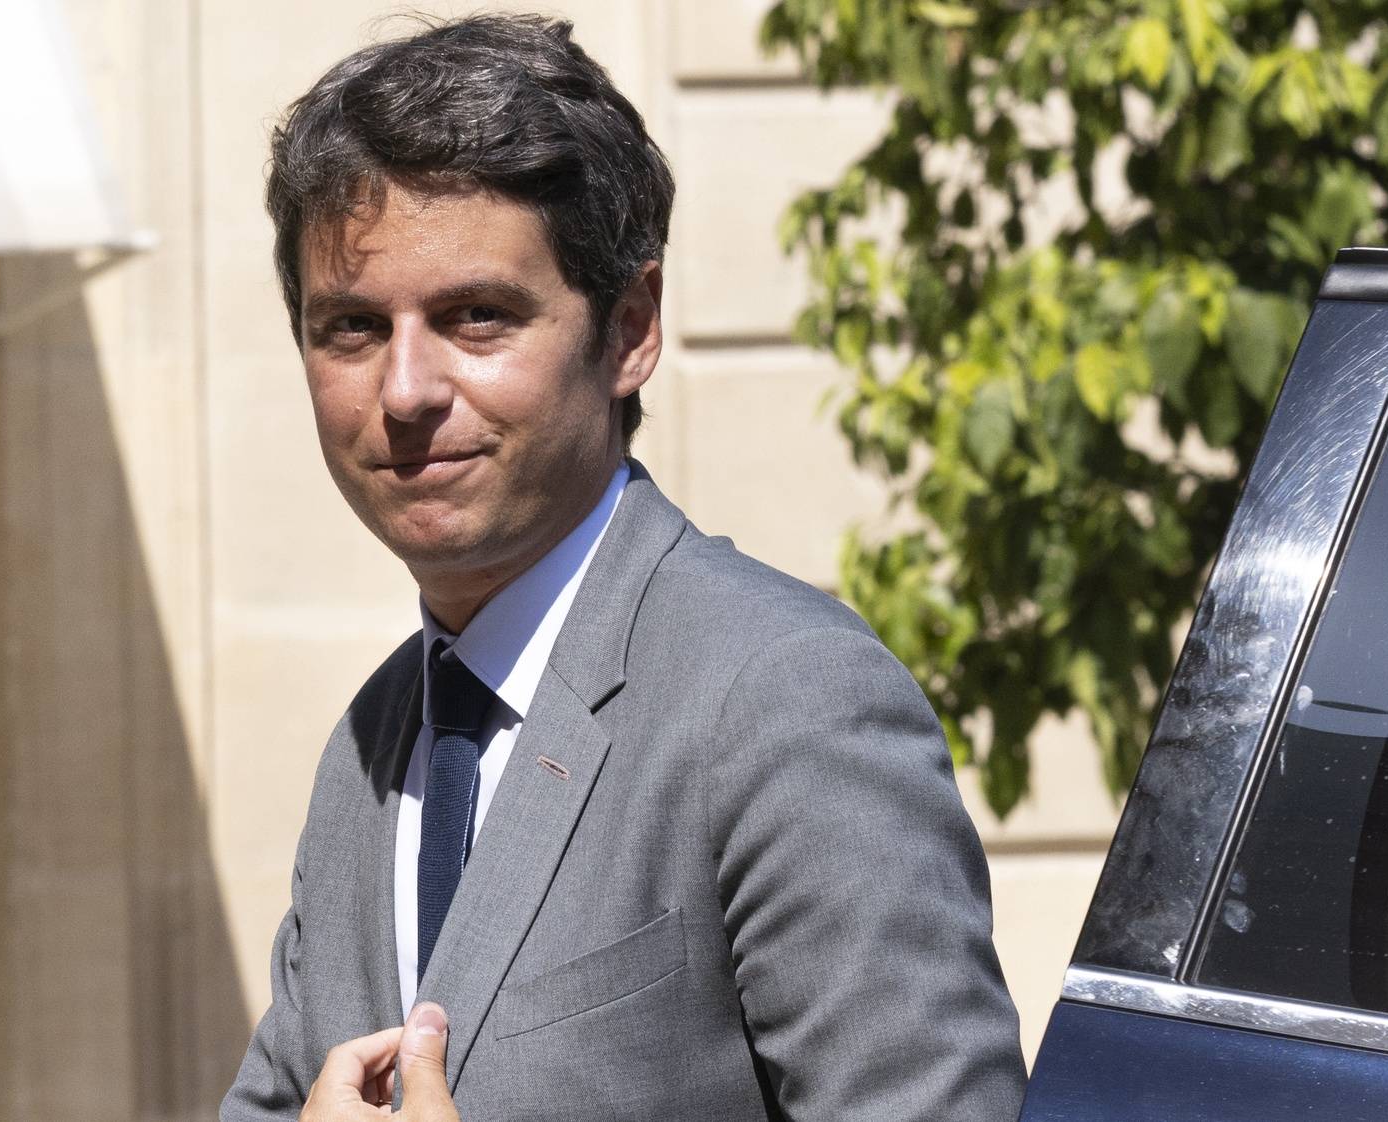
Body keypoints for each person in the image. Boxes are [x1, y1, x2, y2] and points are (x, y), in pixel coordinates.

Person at [221, 14, 1025, 1121]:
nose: (404, 389)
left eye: (474, 317)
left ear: (630, 327)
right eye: (351, 328)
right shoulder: (371, 743)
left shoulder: (783, 701)